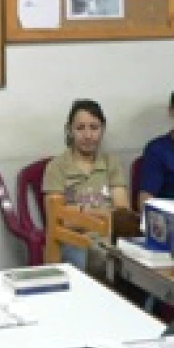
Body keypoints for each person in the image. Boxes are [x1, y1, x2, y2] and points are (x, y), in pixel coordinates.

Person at [42, 99, 128, 269]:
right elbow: (58, 219)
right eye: (80, 128)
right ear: (69, 130)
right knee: (96, 265)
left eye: (94, 128)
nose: (88, 135)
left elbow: (122, 214)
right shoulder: (57, 166)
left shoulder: (111, 163)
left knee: (137, 270)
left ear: (103, 129)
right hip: (73, 240)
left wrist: (80, 212)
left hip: (109, 240)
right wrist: (103, 215)